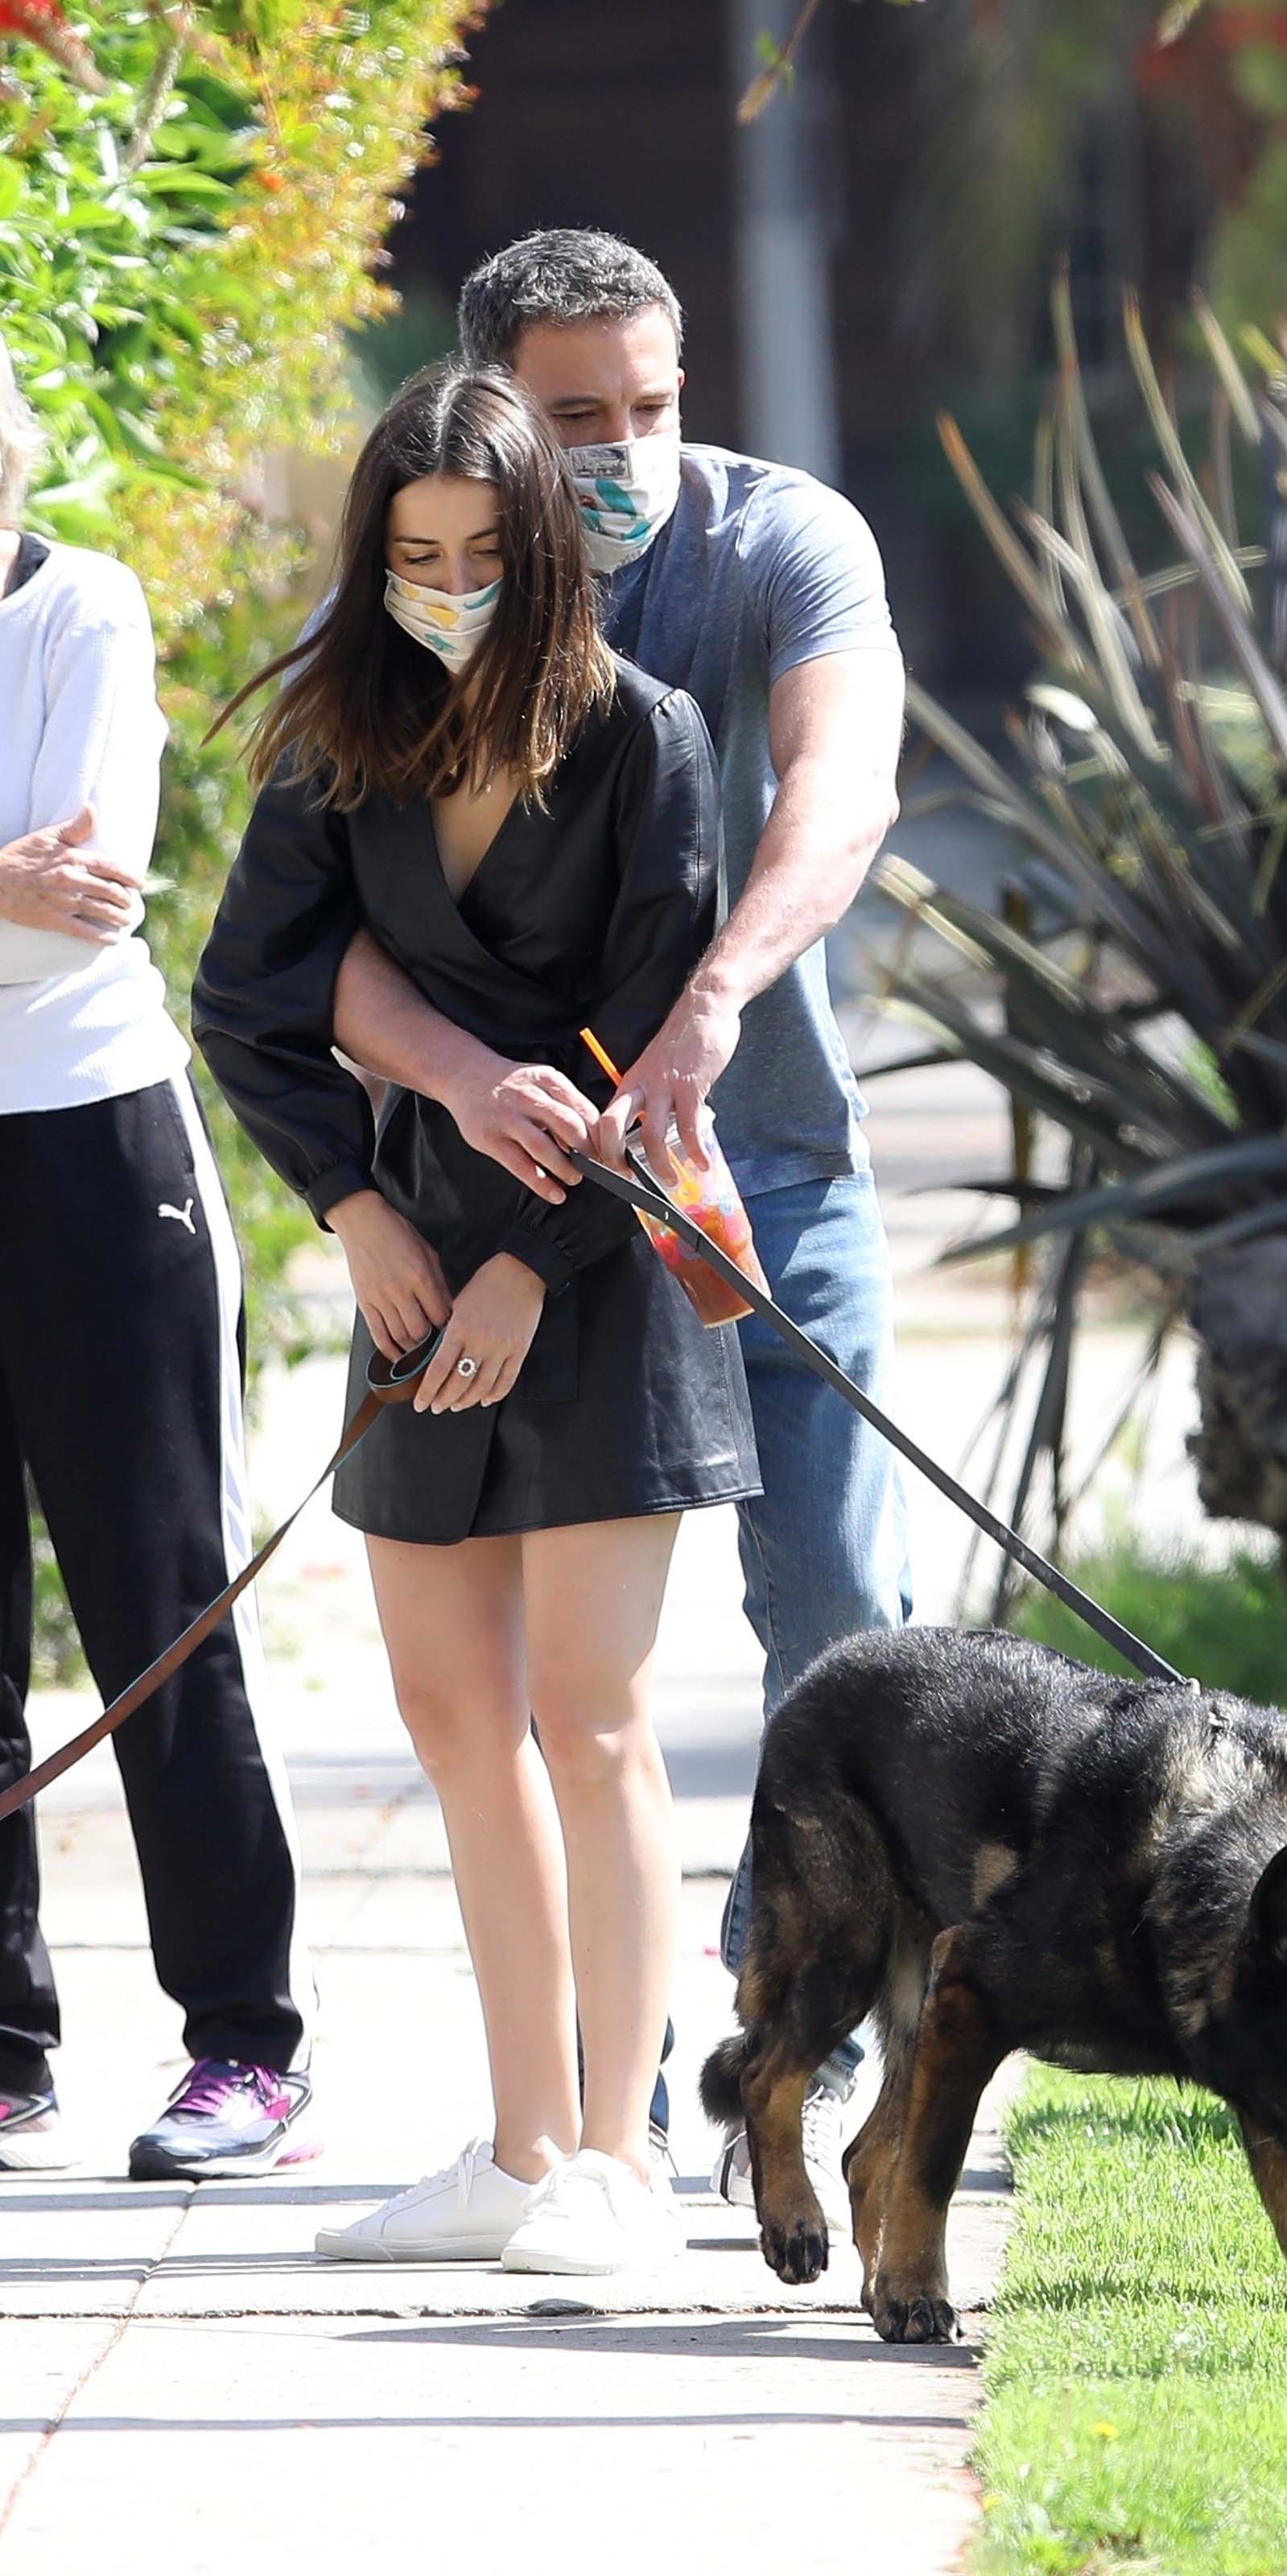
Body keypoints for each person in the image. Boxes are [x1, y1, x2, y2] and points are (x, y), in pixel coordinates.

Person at [323, 231, 911, 2218]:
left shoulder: (778, 543)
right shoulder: (435, 575)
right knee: (576, 1698)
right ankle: (605, 2115)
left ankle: (816, 2034)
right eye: (577, 417)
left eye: (651, 404)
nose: (625, 448)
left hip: (767, 1175)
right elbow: (301, 936)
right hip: (535, 1216)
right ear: (493, 407)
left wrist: (720, 996)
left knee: (835, 1613)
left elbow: (841, 786)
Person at [194, 364, 760, 2273]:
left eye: (481, 554)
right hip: (413, 1274)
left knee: (589, 1715)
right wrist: (356, 1209)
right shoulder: (338, 743)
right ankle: (516, 2147)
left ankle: (620, 2157)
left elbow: (652, 1032)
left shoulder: (648, 739)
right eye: (412, 554)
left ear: (546, 557)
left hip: (595, 1279)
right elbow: (251, 1000)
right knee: (453, 1716)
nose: (444, 585)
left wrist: (542, 1262)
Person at [0, 342, 316, 2180]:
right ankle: (5, 2039)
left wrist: (31, 900)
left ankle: (245, 2042)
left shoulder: (83, 609)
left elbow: (86, 905)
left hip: (92, 1149)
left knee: (158, 1600)